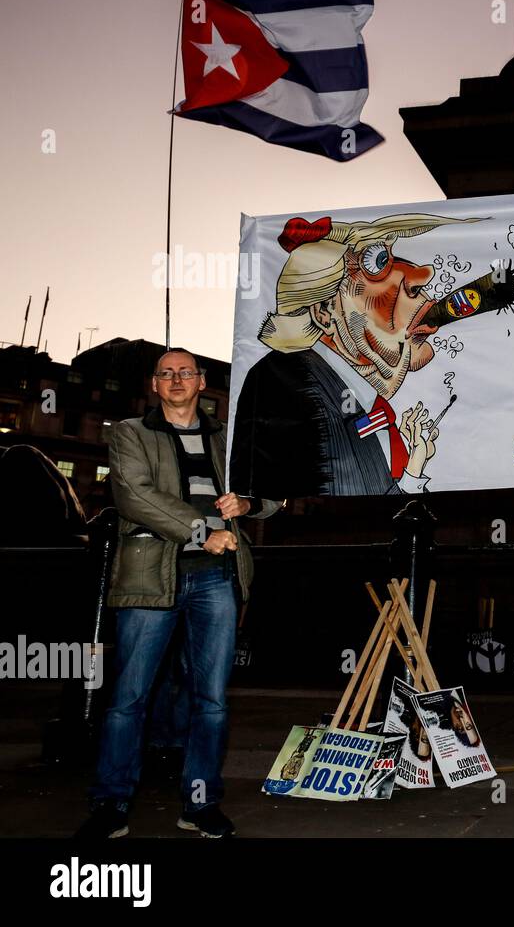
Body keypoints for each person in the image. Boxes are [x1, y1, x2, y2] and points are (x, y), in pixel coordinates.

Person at [77, 348, 281, 838]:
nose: (175, 379)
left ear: (201, 381)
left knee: (210, 699)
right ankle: (112, 804)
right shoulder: (130, 432)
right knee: (129, 697)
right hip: (152, 576)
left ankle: (199, 803)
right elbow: (133, 493)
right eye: (166, 373)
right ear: (154, 384)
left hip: (217, 578)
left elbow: (273, 494)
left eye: (184, 372)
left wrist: (249, 501)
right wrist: (200, 531)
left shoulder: (227, 440)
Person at [231, 213, 514, 498]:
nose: (423, 275)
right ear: (323, 311)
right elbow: (325, 517)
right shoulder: (284, 382)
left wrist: (414, 468)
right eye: (376, 262)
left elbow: (371, 507)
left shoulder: (358, 398)